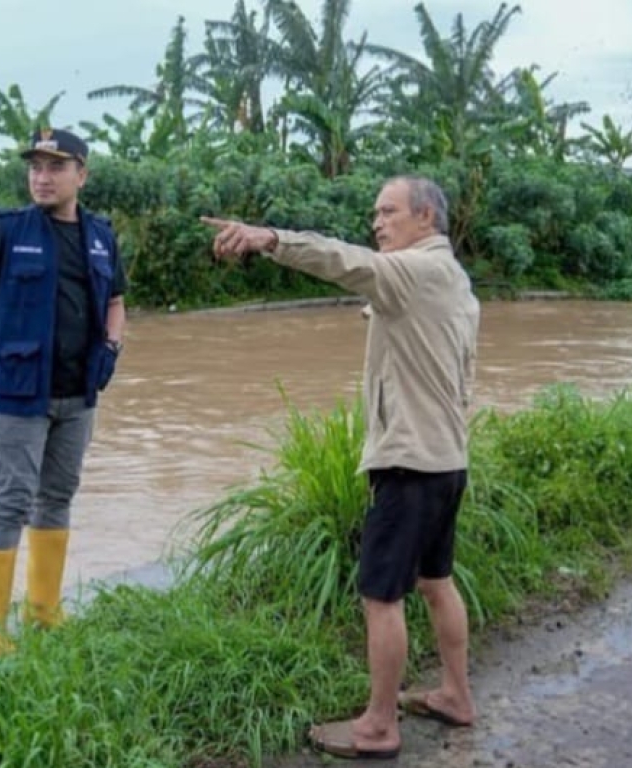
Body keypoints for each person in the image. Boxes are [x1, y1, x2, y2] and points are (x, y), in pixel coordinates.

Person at [202, 175, 480, 761]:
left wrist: (270, 238)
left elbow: (345, 261)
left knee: (382, 596)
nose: (376, 222)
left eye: (389, 211)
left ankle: (379, 727)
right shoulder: (452, 279)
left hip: (408, 463)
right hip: (447, 459)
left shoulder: (412, 272)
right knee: (436, 582)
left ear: (426, 217)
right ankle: (455, 695)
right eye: (374, 213)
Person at [0, 127, 127, 655]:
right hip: (20, 392)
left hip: (80, 392)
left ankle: (45, 611)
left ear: (81, 175)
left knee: (58, 497)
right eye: (35, 167)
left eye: (55, 167)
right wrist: (3, 340)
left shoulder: (100, 236)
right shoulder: (5, 231)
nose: (42, 177)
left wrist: (112, 348)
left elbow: (115, 300)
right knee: (10, 499)